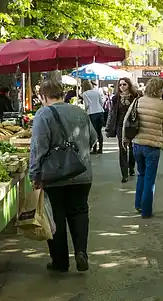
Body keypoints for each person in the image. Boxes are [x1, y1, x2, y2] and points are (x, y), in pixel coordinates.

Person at [29, 80, 98, 273]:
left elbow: (38, 148)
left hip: (54, 175)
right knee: (80, 212)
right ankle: (81, 252)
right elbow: (92, 138)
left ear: (43, 96)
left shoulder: (43, 114)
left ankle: (60, 262)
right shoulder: (80, 111)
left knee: (56, 217)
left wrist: (34, 174)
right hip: (82, 172)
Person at [127, 77, 163, 218]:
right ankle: (146, 211)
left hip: (137, 144)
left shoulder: (138, 101)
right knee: (150, 179)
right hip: (153, 146)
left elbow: (127, 120)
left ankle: (138, 204)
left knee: (141, 174)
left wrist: (125, 140)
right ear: (159, 89)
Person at [106, 77, 139, 183]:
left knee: (132, 148)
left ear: (129, 85)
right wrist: (109, 127)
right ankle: (124, 174)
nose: (122, 87)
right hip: (120, 126)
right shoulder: (116, 98)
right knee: (122, 149)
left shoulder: (135, 97)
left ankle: (131, 167)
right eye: (120, 85)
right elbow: (112, 113)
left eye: (124, 84)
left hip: (132, 125)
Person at [81, 80, 105, 154]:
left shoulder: (85, 94)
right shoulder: (96, 92)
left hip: (91, 113)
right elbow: (101, 102)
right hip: (100, 112)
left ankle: (94, 148)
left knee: (93, 132)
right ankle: (100, 148)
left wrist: (84, 111)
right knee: (99, 131)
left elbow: (87, 105)